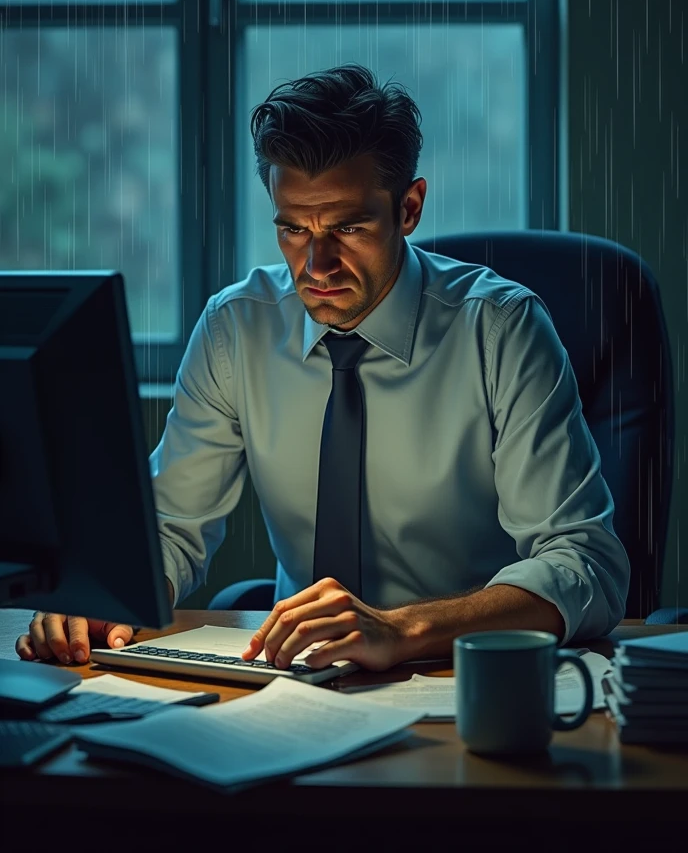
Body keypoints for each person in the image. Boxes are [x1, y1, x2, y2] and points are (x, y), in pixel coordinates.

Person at [16, 63, 630, 673]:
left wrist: (400, 629)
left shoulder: (501, 328)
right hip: (296, 676)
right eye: (293, 229)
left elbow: (586, 564)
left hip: (466, 673)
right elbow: (172, 526)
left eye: (349, 227)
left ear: (409, 208)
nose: (317, 266)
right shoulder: (237, 329)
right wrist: (103, 596)